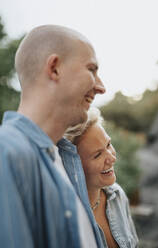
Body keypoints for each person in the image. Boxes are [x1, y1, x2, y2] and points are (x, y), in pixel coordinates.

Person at [0, 25, 106, 247]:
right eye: (91, 69)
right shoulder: (7, 153)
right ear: (55, 68)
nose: (101, 87)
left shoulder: (65, 158)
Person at [65, 108, 139, 248]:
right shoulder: (66, 217)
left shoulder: (116, 195)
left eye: (108, 144)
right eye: (97, 155)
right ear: (74, 165)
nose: (112, 158)